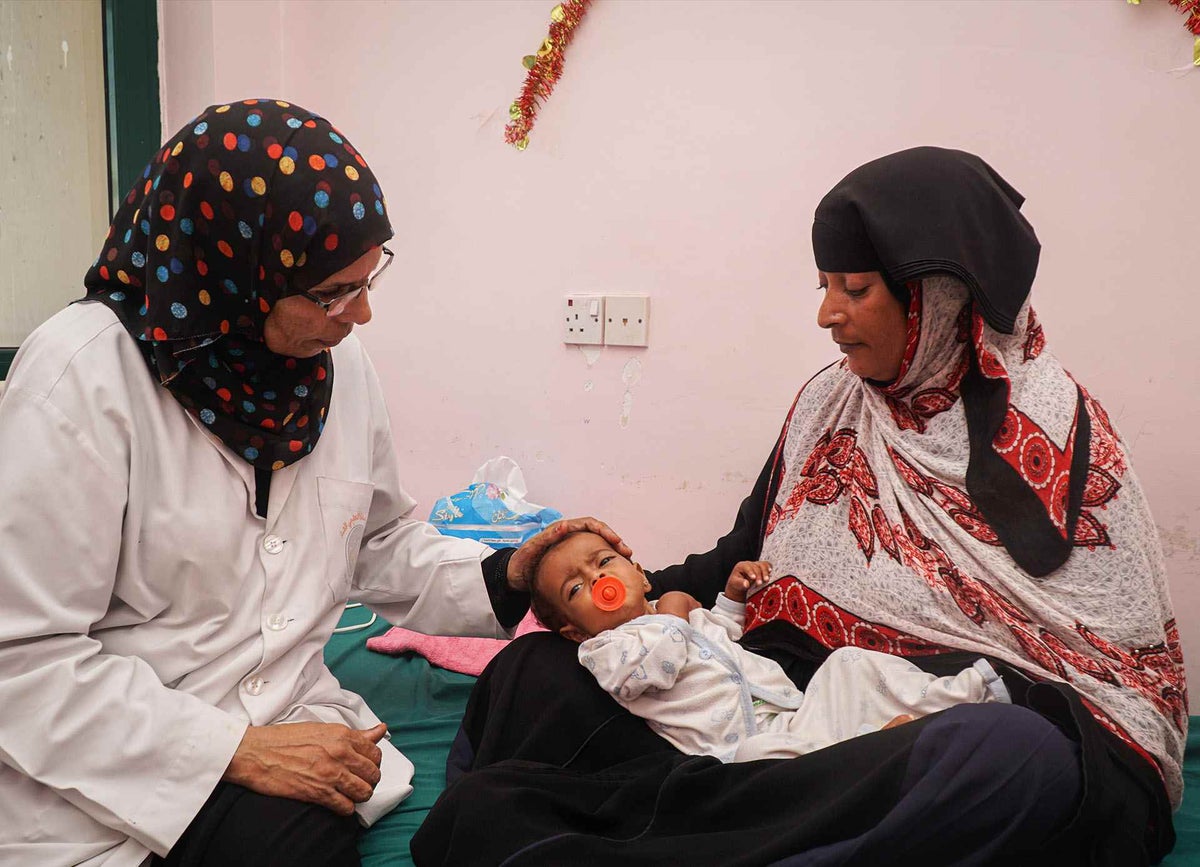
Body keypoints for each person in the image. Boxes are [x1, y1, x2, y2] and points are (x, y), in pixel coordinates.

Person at [414, 147, 1184, 867]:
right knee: (535, 664)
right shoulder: (831, 404)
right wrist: (592, 580)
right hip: (775, 722)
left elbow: (1113, 686)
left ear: (937, 300)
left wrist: (923, 727)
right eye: (823, 285)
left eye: (854, 289)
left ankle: (639, 828)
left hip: (908, 735)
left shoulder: (1056, 430)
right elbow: (737, 555)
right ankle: (718, 825)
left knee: (1013, 757)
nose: (826, 314)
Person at [0, 98, 627, 867]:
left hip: (288, 727)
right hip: (113, 764)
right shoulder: (81, 379)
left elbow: (377, 540)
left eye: (370, 278)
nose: (359, 314)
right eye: (331, 292)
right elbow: (21, 660)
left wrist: (512, 570)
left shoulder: (334, 369)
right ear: (234, 273)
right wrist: (239, 751)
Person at [528, 530, 1011, 762]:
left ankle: (959, 697)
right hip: (737, 747)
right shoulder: (606, 650)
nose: (598, 580)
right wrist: (672, 615)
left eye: (604, 562)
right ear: (573, 630)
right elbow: (655, 670)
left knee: (848, 665)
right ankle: (880, 748)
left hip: (788, 710)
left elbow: (721, 636)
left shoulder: (677, 613)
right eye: (576, 588)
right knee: (772, 761)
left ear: (635, 568)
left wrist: (731, 598)